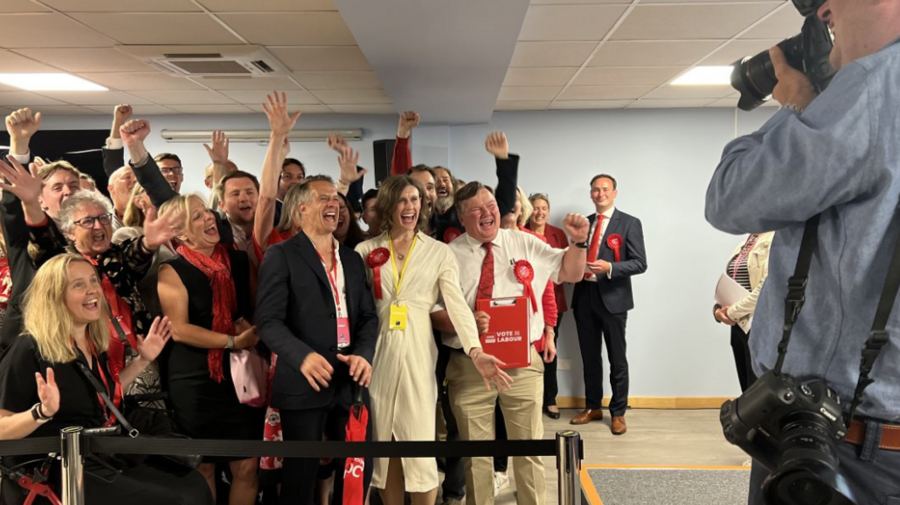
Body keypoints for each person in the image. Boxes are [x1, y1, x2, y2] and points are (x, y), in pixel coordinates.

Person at [705, 2, 900, 502]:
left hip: (844, 446)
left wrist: (802, 102)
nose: (823, 12)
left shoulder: (877, 86)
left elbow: (730, 196)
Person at [432, 132, 589, 505]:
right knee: (477, 456)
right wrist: (464, 321)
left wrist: (579, 243)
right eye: (476, 209)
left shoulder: (521, 241)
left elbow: (569, 272)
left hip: (522, 364)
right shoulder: (446, 255)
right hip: (469, 369)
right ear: (461, 216)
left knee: (530, 451)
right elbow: (434, 314)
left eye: (490, 205)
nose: (487, 212)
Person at [0, 254, 212, 505]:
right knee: (177, 498)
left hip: (100, 452)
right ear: (54, 296)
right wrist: (42, 412)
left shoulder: (89, 342)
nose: (92, 290)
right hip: (60, 468)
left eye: (93, 281)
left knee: (194, 486)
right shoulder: (28, 349)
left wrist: (142, 361)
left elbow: (101, 394)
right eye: (78, 284)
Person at [355, 175, 482, 505]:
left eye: (414, 200)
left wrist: (475, 349)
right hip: (377, 357)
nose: (408, 207)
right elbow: (355, 310)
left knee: (419, 443)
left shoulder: (438, 252)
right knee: (384, 447)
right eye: (401, 200)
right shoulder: (365, 250)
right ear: (387, 206)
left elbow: (457, 305)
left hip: (418, 356)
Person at [256, 176, 379, 505]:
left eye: (336, 199)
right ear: (301, 209)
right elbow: (268, 321)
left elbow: (368, 317)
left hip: (351, 380)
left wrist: (364, 354)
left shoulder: (352, 259)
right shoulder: (280, 255)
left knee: (358, 466)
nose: (334, 204)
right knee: (301, 476)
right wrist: (303, 357)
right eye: (324, 198)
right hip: (303, 379)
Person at [157, 194, 263, 505]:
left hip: (241, 377)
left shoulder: (240, 261)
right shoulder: (172, 269)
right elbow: (178, 329)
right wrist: (231, 341)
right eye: (197, 217)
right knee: (203, 466)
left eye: (207, 212)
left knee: (247, 465)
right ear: (181, 234)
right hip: (195, 379)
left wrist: (250, 328)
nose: (209, 219)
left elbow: (257, 309)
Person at [569, 174, 647, 435]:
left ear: (614, 193)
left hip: (613, 299)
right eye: (595, 190)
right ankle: (593, 407)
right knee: (589, 358)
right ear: (591, 194)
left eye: (604, 189)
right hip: (584, 296)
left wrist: (610, 267)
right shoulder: (585, 224)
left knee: (617, 358)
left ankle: (618, 412)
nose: (599, 194)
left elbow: (640, 263)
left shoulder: (629, 223)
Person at [526, 192, 570, 419]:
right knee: (529, 349)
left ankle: (550, 398)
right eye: (535, 207)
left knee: (549, 348)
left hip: (553, 302)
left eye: (544, 208)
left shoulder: (559, 235)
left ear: (548, 211)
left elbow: (565, 267)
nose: (539, 212)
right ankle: (530, 399)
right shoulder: (519, 232)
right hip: (526, 303)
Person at [713, 232, 774, 393]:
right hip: (739, 326)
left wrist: (732, 312)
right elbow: (733, 283)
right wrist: (718, 310)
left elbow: (766, 287)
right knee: (747, 390)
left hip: (761, 325)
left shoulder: (776, 239)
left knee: (759, 391)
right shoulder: (745, 243)